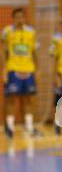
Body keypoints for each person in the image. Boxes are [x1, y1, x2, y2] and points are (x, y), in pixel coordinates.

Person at [1, 8, 41, 137]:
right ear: (13, 18)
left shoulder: (31, 32)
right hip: (13, 69)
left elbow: (35, 52)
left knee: (28, 99)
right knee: (11, 99)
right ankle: (10, 128)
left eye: (21, 17)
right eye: (17, 17)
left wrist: (38, 69)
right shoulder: (7, 32)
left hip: (28, 69)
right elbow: (2, 51)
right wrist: (4, 69)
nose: (19, 20)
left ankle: (29, 127)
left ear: (25, 18)